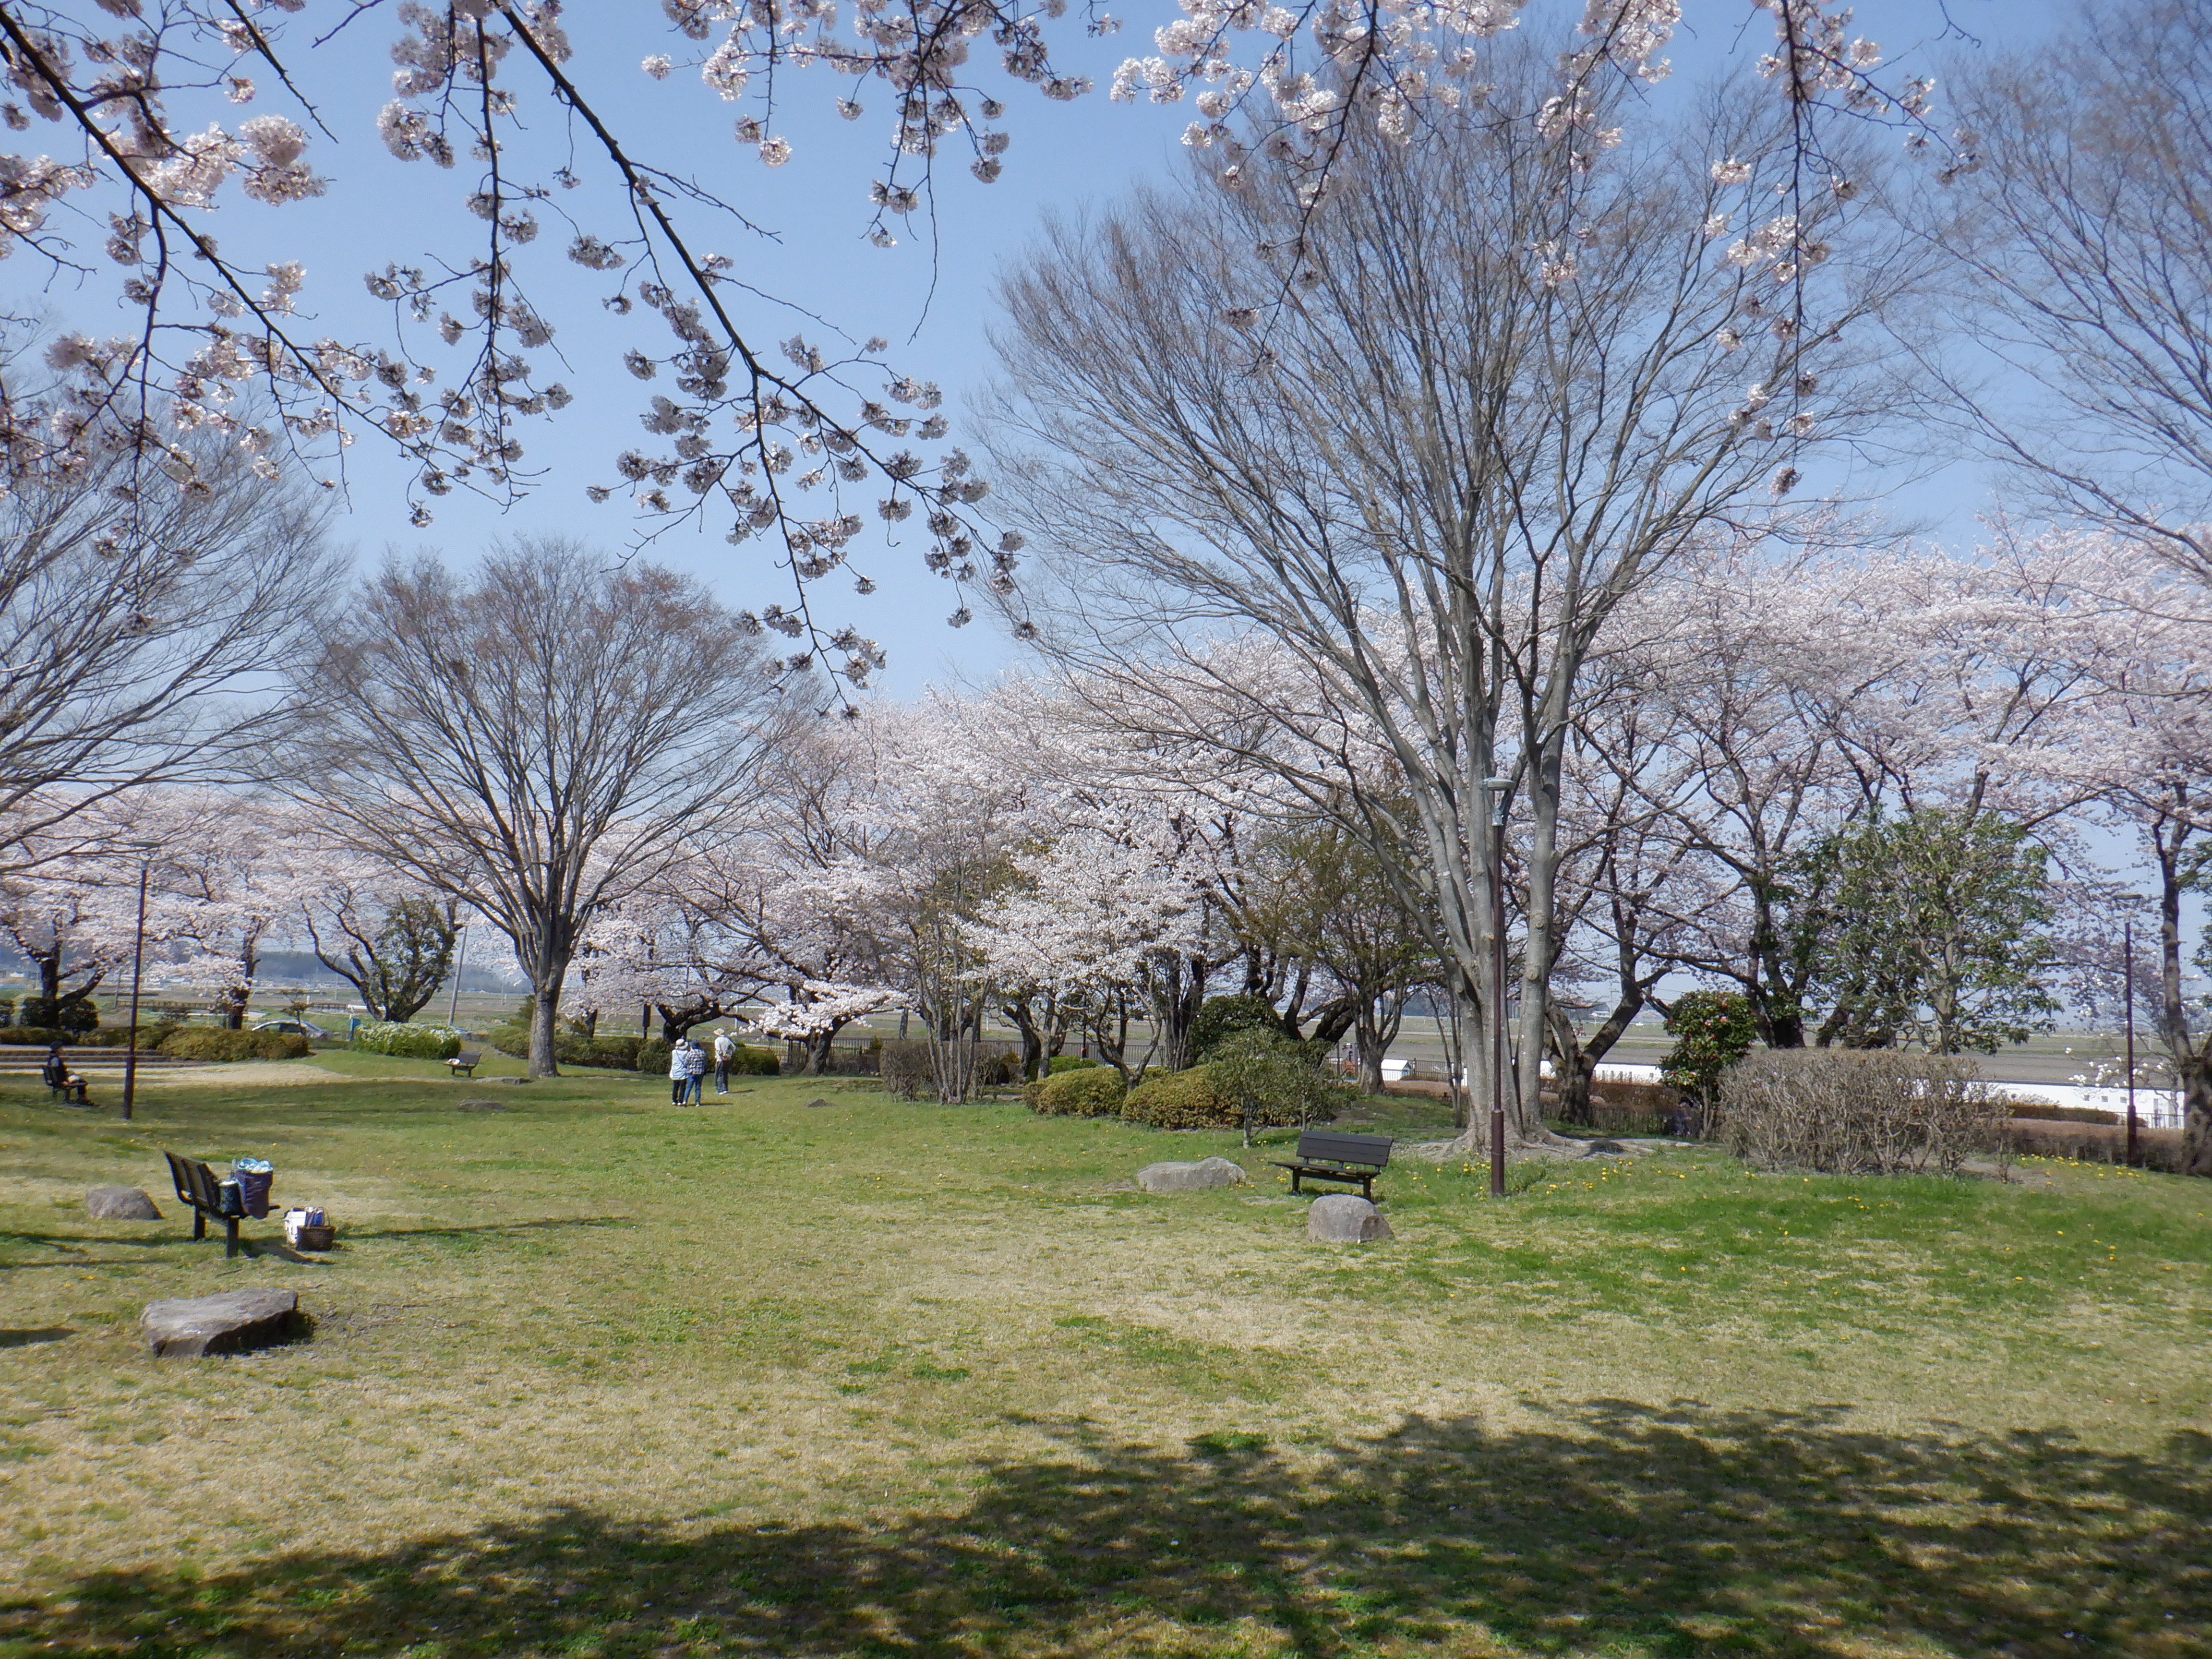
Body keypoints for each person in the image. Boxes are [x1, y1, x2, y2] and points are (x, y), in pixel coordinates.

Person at [682, 1034, 709, 1105]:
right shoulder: (703, 1053)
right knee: (698, 1087)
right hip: (700, 1072)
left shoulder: (691, 1053)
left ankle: (685, 1101)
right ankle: (697, 1102)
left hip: (692, 1072)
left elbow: (686, 1063)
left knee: (689, 1087)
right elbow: (706, 1062)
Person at [668, 1037, 691, 1106]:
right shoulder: (686, 1053)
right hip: (683, 1071)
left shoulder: (674, 1052)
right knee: (682, 1087)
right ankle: (681, 1101)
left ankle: (674, 1100)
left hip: (675, 1071)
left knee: (675, 1087)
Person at [712, 1029, 734, 1095]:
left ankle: (720, 1089)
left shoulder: (718, 1040)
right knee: (725, 1074)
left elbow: (719, 1050)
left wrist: (722, 1056)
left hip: (720, 1059)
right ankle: (725, 1088)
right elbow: (734, 1047)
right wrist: (730, 1055)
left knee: (719, 1074)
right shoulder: (727, 1040)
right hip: (727, 1059)